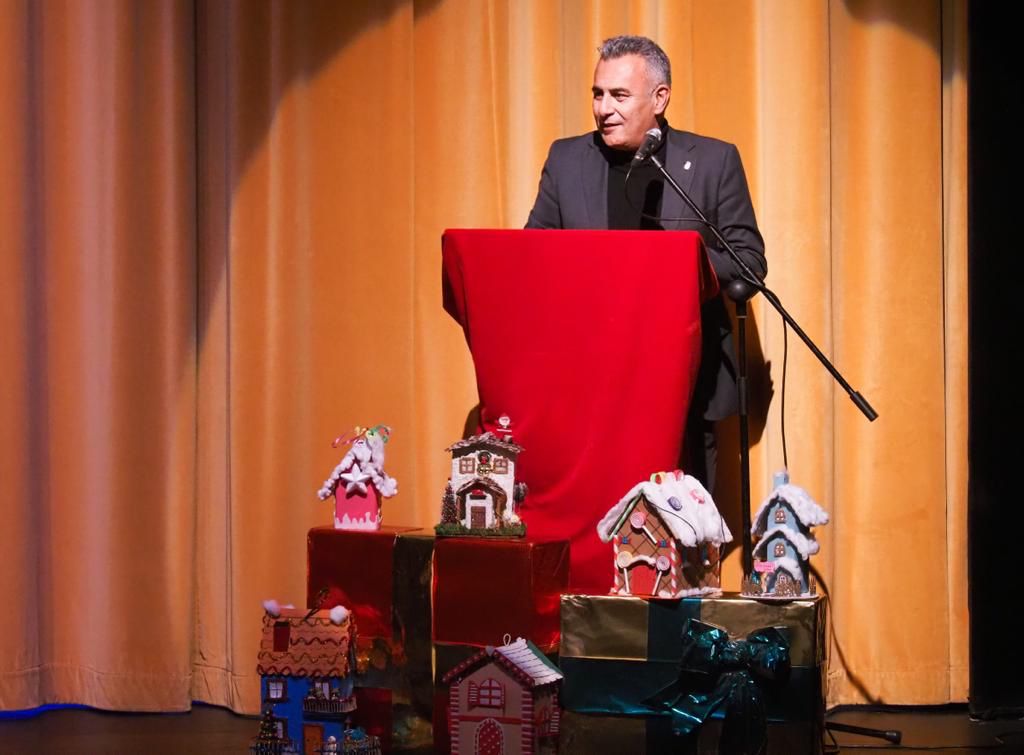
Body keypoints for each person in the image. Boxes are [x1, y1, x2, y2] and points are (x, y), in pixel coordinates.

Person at [525, 35, 766, 494]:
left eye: (619, 95)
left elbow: (749, 262)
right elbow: (535, 254)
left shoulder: (713, 161)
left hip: (684, 377)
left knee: (683, 520)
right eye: (598, 94)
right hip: (590, 373)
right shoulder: (567, 159)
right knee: (596, 507)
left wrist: (680, 265)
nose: (604, 109)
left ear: (660, 98)